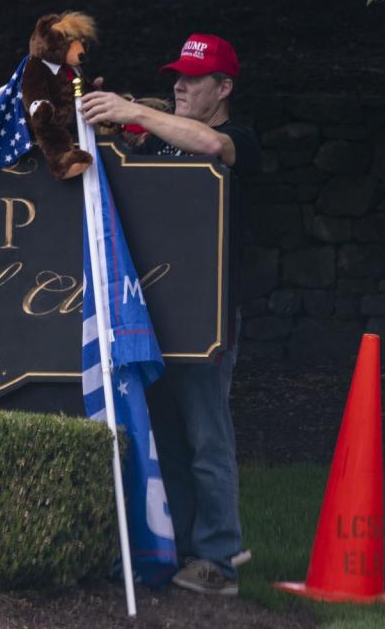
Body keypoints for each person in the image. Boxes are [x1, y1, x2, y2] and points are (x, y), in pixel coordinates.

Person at [80, 34, 260, 596]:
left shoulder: (238, 138)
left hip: (207, 320)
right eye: (176, 76)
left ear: (224, 87)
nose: (179, 85)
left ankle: (219, 560)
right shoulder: (164, 141)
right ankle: (176, 549)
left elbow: (210, 144)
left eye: (193, 77)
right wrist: (103, 120)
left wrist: (134, 111)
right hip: (155, 315)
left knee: (209, 438)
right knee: (165, 438)